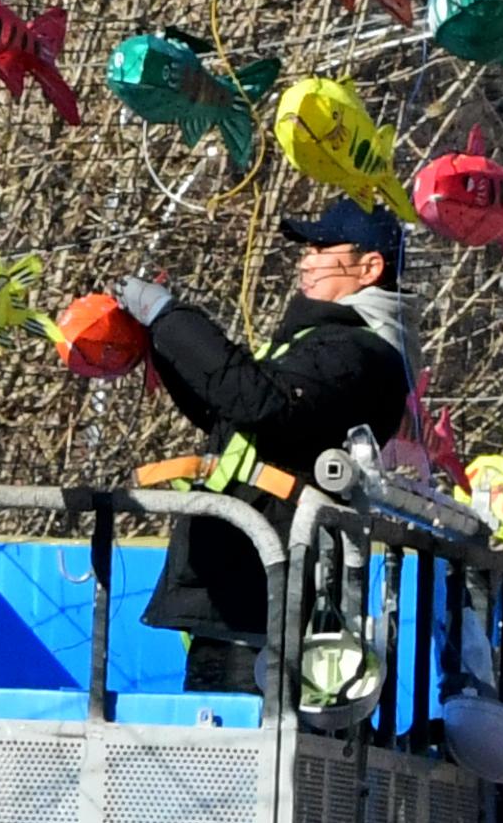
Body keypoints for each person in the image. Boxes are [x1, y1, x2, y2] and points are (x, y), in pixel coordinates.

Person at [114, 195, 417, 694]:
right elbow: (230, 413)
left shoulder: (359, 352)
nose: (305, 259)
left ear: (370, 266)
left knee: (235, 755)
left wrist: (171, 317)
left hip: (265, 596)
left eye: (321, 247)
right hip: (242, 589)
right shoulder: (324, 342)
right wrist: (163, 343)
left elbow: (261, 402)